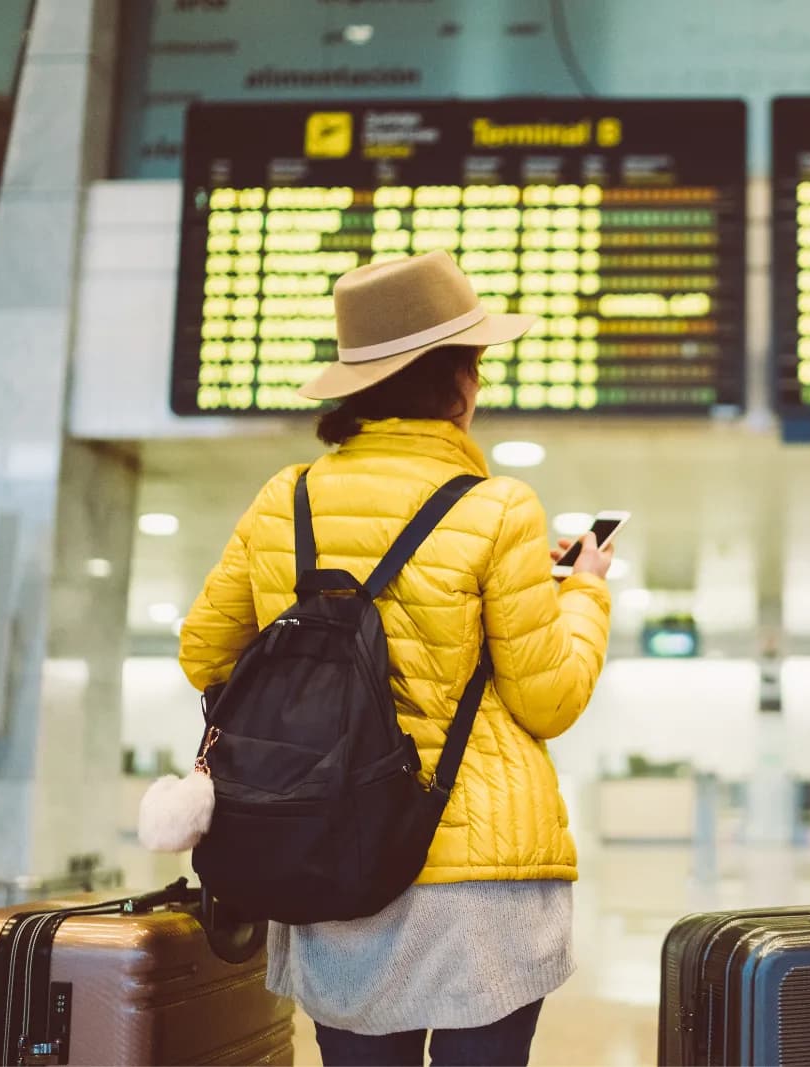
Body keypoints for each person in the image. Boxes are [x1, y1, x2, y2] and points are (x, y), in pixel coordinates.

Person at [178, 250, 612, 1067]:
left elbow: (204, 650)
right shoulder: (497, 508)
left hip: (322, 846)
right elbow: (548, 697)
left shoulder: (288, 497)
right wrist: (583, 592)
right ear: (455, 380)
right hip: (478, 872)